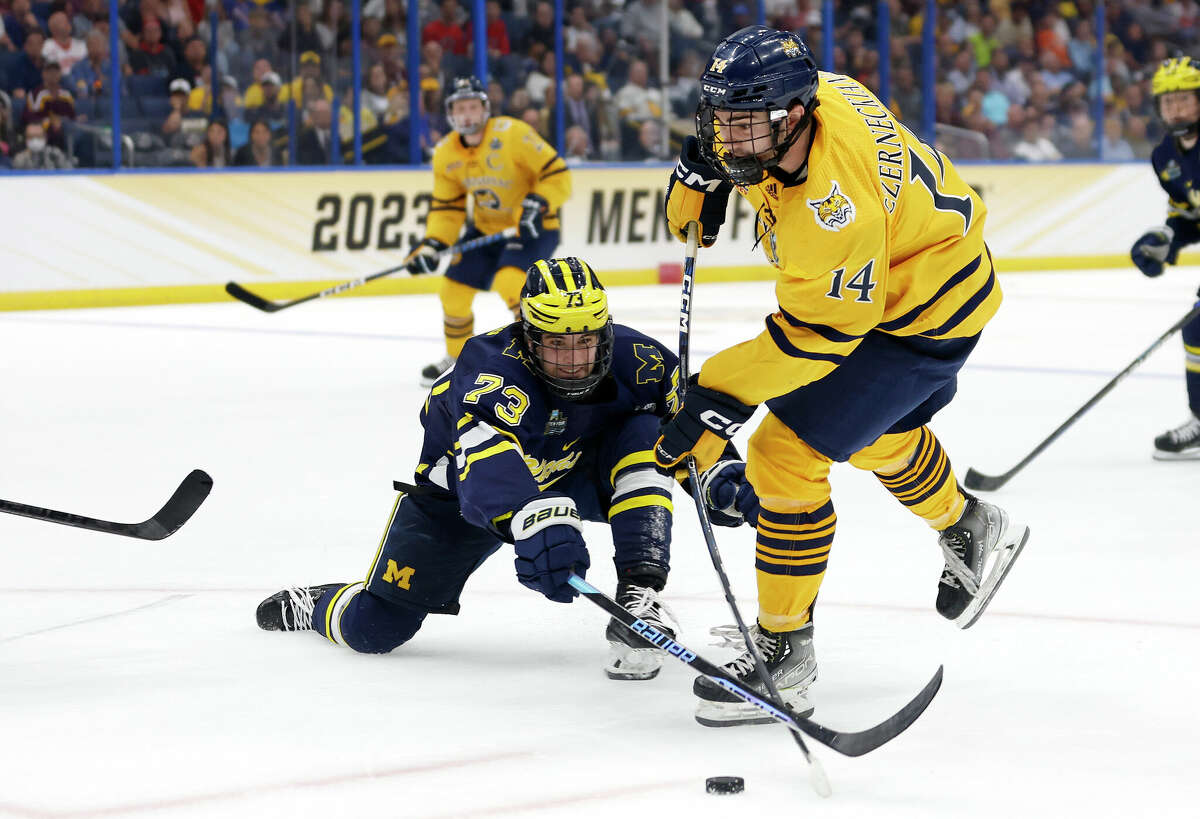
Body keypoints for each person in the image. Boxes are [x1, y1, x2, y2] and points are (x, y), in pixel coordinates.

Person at [658, 26, 1031, 726]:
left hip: (918, 319)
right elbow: (752, 148)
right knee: (862, 434)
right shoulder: (815, 94)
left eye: (741, 127)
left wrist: (716, 396)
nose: (727, 138)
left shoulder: (833, 211)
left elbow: (816, 339)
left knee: (783, 453)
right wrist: (703, 165)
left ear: (793, 116)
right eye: (719, 122)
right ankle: (970, 524)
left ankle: (786, 654)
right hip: (922, 281)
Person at [256, 257, 692, 682]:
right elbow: (489, 467)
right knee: (374, 628)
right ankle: (315, 603)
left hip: (569, 469)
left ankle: (640, 593)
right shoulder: (490, 366)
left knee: (648, 433)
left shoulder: (643, 360)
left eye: (585, 341)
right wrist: (534, 518)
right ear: (528, 334)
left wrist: (725, 479)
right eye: (556, 343)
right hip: (462, 496)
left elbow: (695, 431)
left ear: (606, 332)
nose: (574, 359)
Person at [405, 75, 571, 388]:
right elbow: (447, 209)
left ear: (485, 109)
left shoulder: (513, 134)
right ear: (451, 113)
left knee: (510, 281)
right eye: (460, 108)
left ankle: (538, 360)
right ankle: (457, 360)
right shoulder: (445, 153)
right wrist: (432, 244)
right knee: (452, 292)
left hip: (532, 227)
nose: (467, 114)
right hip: (486, 230)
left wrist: (539, 203)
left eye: (473, 106)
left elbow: (557, 175)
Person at [1129, 56, 1200, 459]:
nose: (1175, 108)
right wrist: (1166, 238)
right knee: (1198, 332)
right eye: (1167, 101)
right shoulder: (1166, 157)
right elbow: (1188, 214)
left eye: (1185, 99)